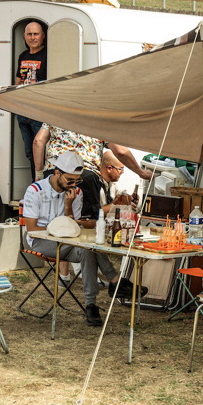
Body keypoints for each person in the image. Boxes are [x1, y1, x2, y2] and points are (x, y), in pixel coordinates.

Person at [21, 151, 145, 327]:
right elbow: (32, 229)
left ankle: (91, 304)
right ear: (57, 173)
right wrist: (60, 227)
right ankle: (115, 281)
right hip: (40, 240)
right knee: (87, 247)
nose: (73, 185)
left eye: (76, 181)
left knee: (87, 250)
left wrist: (68, 207)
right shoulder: (35, 190)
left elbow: (73, 226)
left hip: (67, 240)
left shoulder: (76, 192)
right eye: (70, 180)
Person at [15, 21, 48, 182]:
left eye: (36, 34)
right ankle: (35, 186)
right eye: (29, 34)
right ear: (24, 36)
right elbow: (17, 82)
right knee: (29, 152)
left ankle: (44, 185)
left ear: (43, 36)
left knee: (42, 151)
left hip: (40, 112)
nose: (33, 37)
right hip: (23, 111)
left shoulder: (48, 55)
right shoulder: (23, 56)